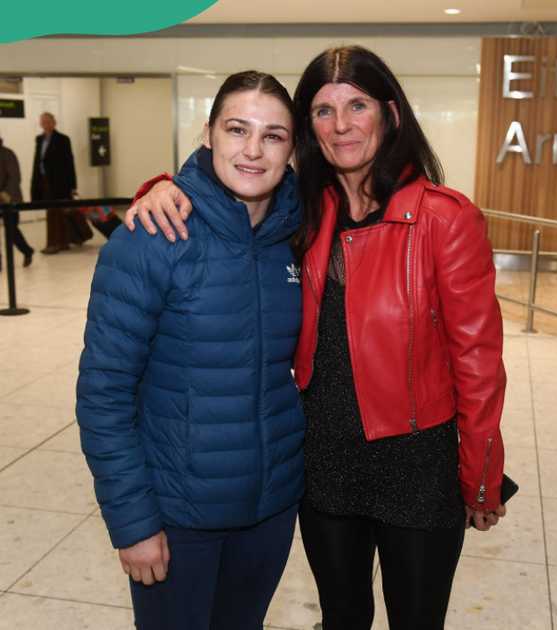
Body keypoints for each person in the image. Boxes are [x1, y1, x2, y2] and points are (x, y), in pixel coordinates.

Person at [126, 45, 507, 630]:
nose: (342, 125)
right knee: (340, 618)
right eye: (324, 111)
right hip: (323, 461)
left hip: (417, 461)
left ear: (391, 114)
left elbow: (479, 362)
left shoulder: (444, 218)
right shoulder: (301, 210)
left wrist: (480, 478)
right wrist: (159, 187)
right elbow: (226, 181)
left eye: (357, 105)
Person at [76, 71, 305, 630]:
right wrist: (133, 523)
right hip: (178, 517)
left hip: (269, 511)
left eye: (273, 135)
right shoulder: (152, 236)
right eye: (237, 129)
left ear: (292, 148)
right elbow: (103, 395)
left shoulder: (297, 234)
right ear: (208, 134)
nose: (253, 150)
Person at [32, 112, 88, 253]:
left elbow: (69, 163)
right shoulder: (39, 139)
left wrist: (73, 186)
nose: (45, 124)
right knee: (51, 213)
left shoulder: (63, 139)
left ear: (54, 123)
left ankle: (60, 243)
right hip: (44, 182)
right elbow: (37, 162)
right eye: (43, 122)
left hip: (60, 183)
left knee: (59, 213)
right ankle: (54, 243)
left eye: (48, 121)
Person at [0, 135, 33, 268]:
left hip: (9, 200)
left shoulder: (7, 153)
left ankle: (27, 251)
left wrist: (4, 194)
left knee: (11, 230)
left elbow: (15, 177)